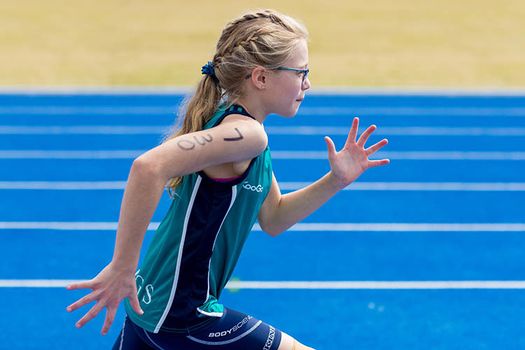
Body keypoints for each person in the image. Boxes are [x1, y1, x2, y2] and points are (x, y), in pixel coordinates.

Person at [65, 9, 389, 350]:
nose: (307, 83)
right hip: (182, 314)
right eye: (301, 72)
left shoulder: (245, 130)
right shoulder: (247, 135)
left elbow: (274, 217)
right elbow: (148, 167)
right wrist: (121, 268)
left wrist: (335, 180)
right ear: (261, 77)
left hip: (154, 308)